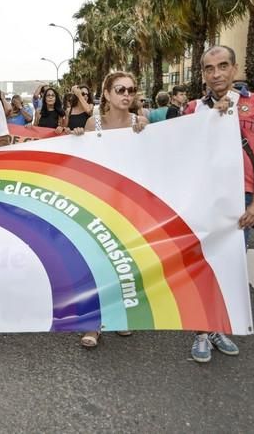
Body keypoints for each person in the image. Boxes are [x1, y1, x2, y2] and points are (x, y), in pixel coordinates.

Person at [183, 45, 254, 363]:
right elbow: (180, 151)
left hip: (243, 199)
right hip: (206, 198)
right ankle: (202, 333)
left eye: (222, 66)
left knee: (230, 266)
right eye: (209, 68)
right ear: (203, 73)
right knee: (204, 266)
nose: (216, 73)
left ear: (234, 69)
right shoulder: (194, 108)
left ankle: (217, 327)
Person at [69, 71, 149, 348]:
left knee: (123, 262)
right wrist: (78, 137)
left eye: (130, 90)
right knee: (95, 263)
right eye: (120, 90)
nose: (126, 95)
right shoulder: (93, 123)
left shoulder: (142, 123)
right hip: (98, 202)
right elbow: (82, 163)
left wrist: (145, 137)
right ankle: (93, 324)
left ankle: (120, 317)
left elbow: (151, 162)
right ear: (107, 94)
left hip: (129, 205)